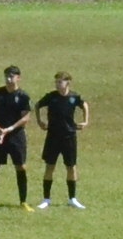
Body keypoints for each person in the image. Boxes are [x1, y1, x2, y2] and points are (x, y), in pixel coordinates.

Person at [36, 72, 89, 209]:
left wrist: (85, 121)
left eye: (60, 82)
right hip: (53, 136)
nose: (58, 84)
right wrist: (40, 121)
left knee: (71, 167)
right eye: (56, 82)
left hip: (69, 136)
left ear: (68, 83)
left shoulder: (74, 97)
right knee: (50, 166)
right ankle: (46, 199)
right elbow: (37, 105)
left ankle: (72, 198)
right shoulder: (51, 97)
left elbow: (84, 105)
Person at [0, 65, 34, 210]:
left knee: (21, 167)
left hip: (16, 136)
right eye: (6, 76)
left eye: (12, 76)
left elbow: (26, 117)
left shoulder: (23, 96)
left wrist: (10, 129)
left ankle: (23, 201)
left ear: (18, 77)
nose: (8, 79)